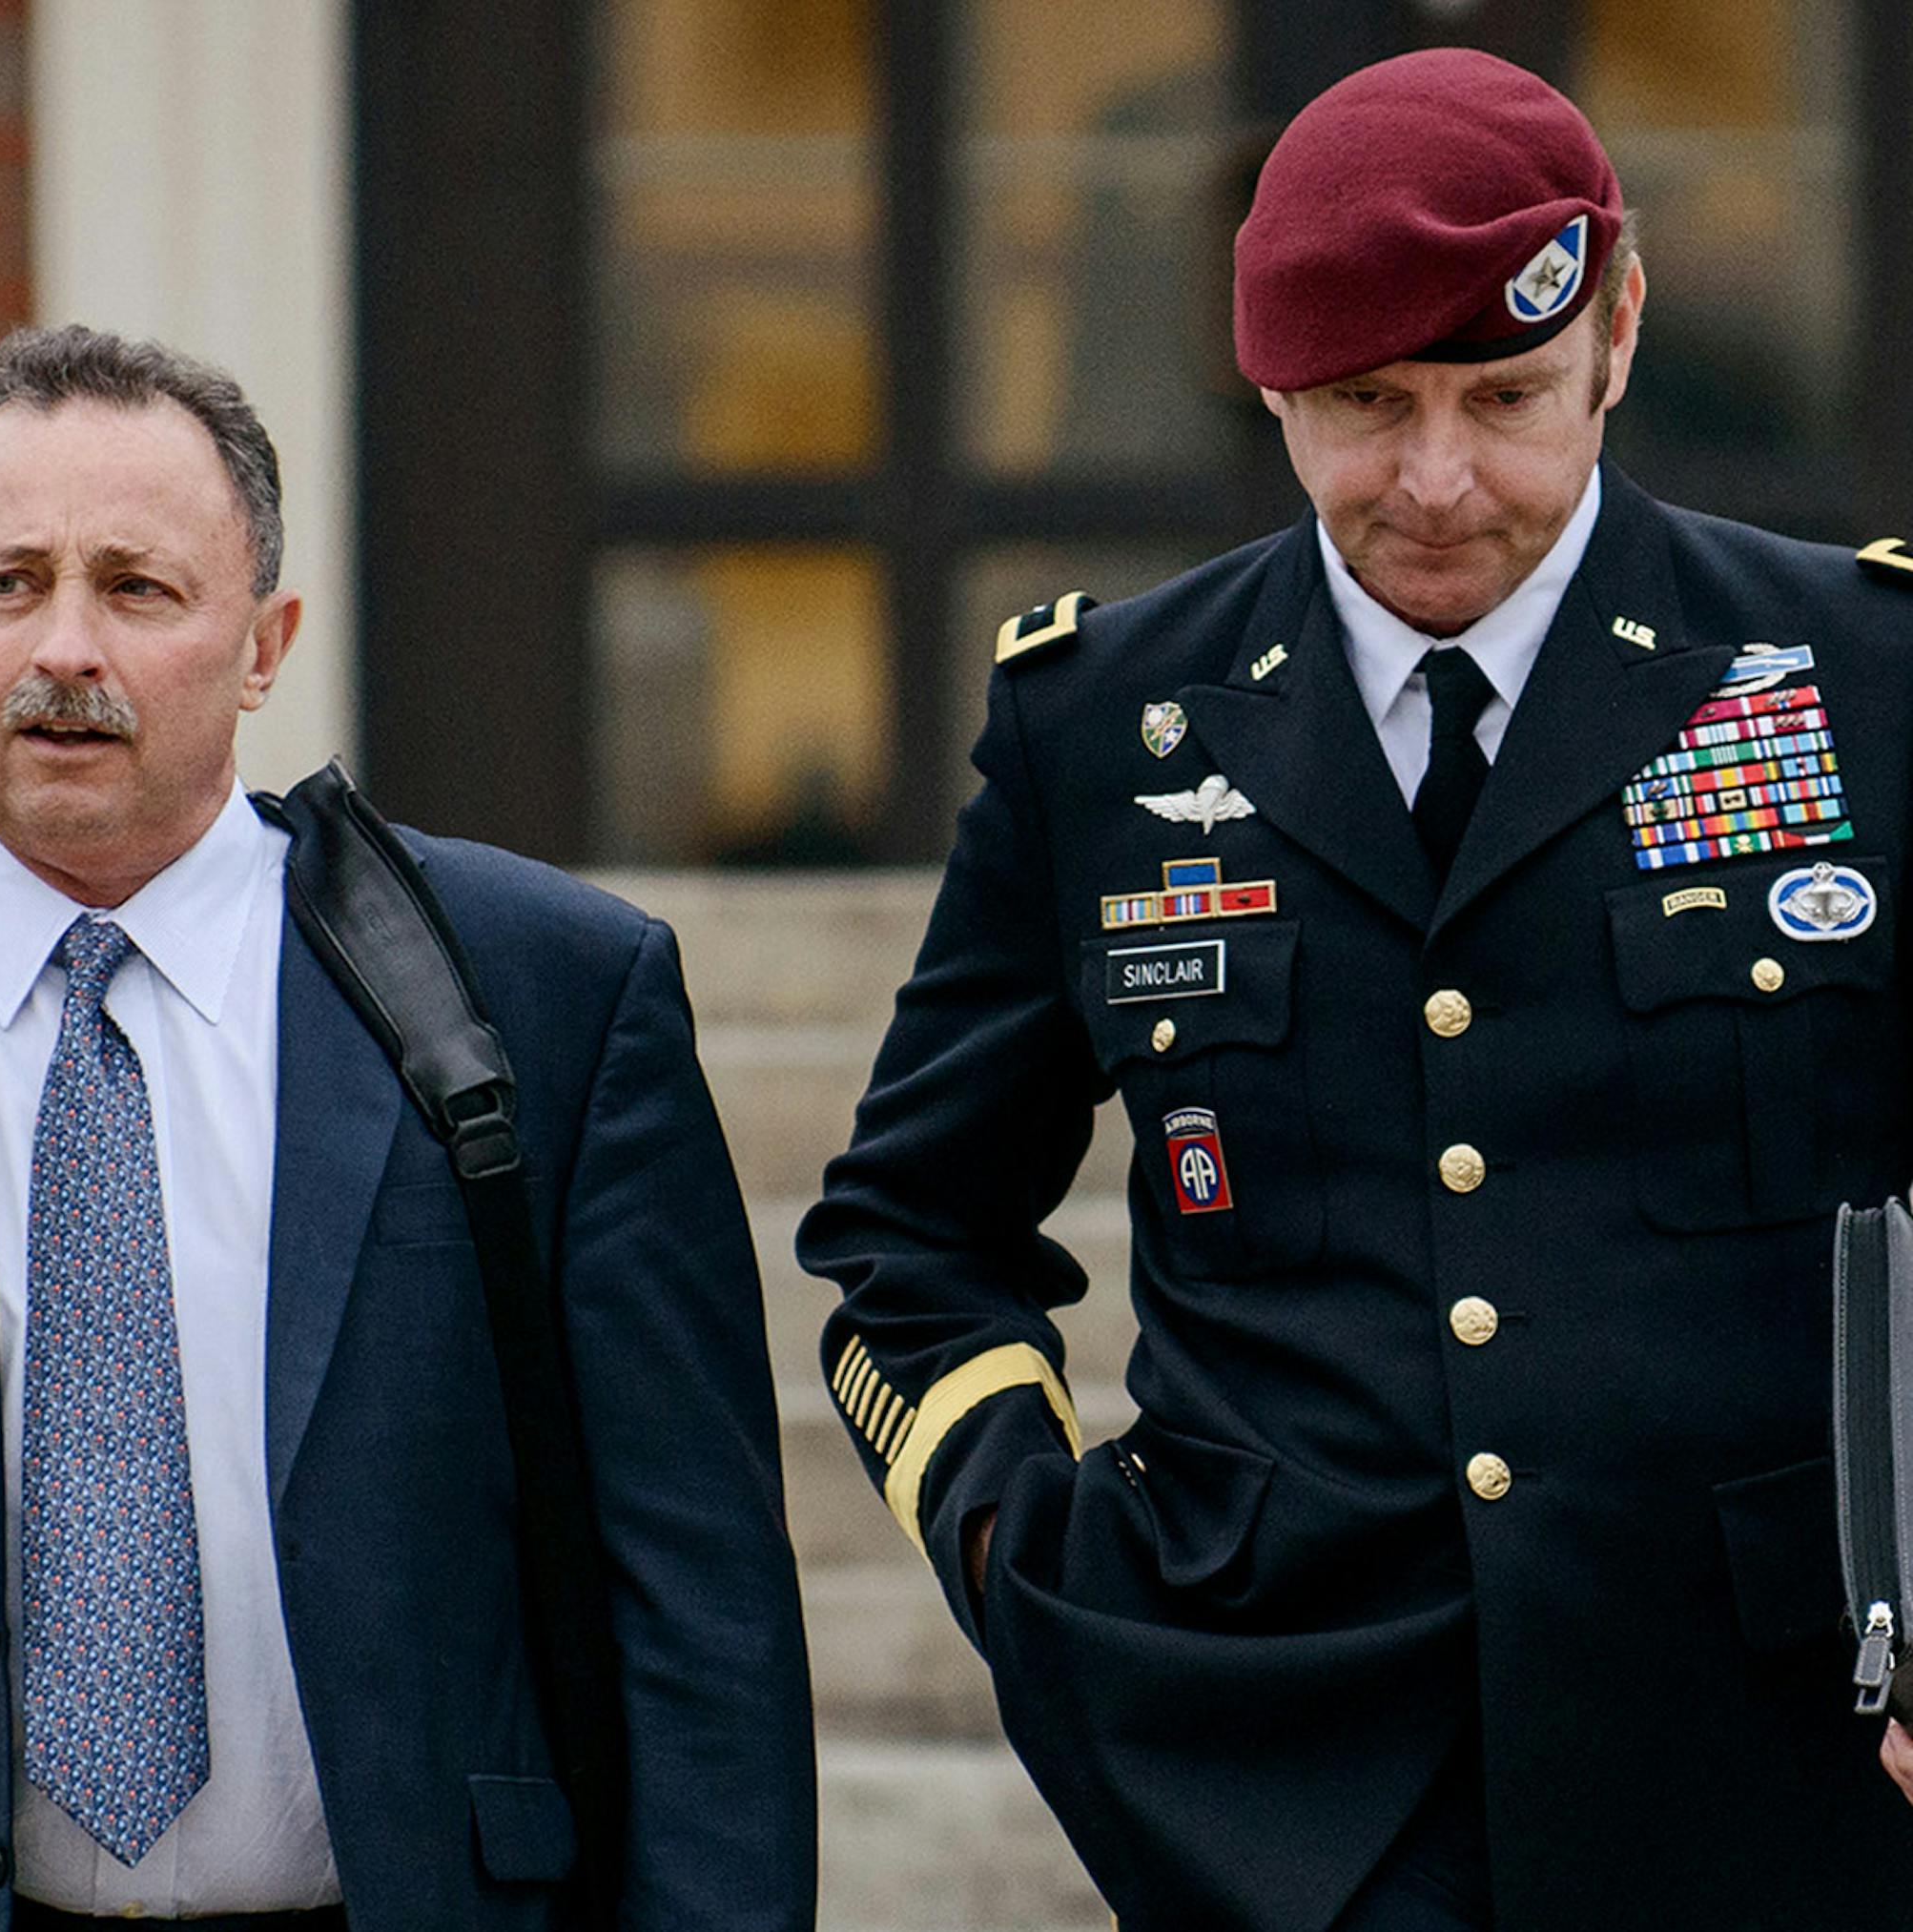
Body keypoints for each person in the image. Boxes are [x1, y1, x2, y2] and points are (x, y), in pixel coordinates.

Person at [799, 47, 1913, 1932]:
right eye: (1367, 405)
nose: (1438, 478)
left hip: (1775, 1768)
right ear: (1270, 383)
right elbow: (907, 1231)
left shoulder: (1858, 677)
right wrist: (1026, 1554)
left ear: (1619, 332)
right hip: (1284, 1791)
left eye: (1506, 395)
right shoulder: (1105, 724)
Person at [0, 323, 813, 1930]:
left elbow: (698, 1607)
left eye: (139, 589)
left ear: (265, 643)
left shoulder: (545, 995)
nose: (65, 647)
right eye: (8, 583)